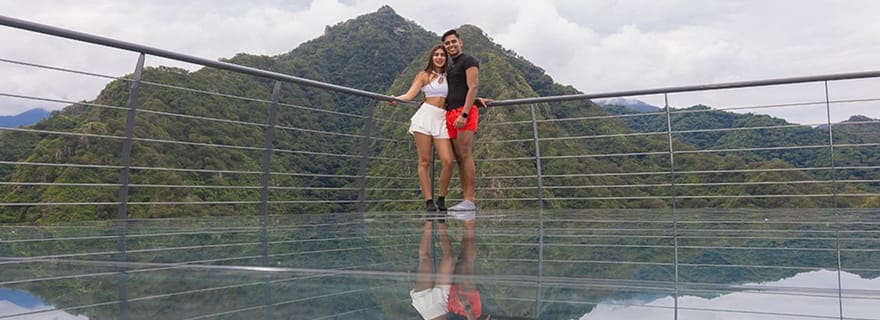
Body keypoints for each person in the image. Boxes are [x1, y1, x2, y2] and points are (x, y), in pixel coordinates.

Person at [392, 45, 456, 212]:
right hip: (425, 117)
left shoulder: (450, 76)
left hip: (441, 118)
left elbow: (462, 93)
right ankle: (429, 201)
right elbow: (409, 95)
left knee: (448, 161)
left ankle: (441, 198)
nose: (440, 57)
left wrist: (477, 99)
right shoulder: (424, 75)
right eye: (436, 55)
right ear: (431, 57)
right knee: (425, 161)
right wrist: (394, 99)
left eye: (442, 55)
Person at [442, 29, 481, 211]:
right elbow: (457, 89)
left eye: (453, 42)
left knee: (465, 155)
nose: (451, 46)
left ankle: (469, 200)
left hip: (463, 114)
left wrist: (464, 114)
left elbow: (472, 86)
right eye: (447, 43)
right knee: (458, 157)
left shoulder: (469, 61)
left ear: (460, 42)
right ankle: (465, 201)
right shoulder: (450, 67)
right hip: (450, 113)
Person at [410, 219, 455, 320]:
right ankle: (441, 222)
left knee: (425, 258)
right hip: (442, 304)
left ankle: (429, 217)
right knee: (449, 258)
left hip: (425, 307)